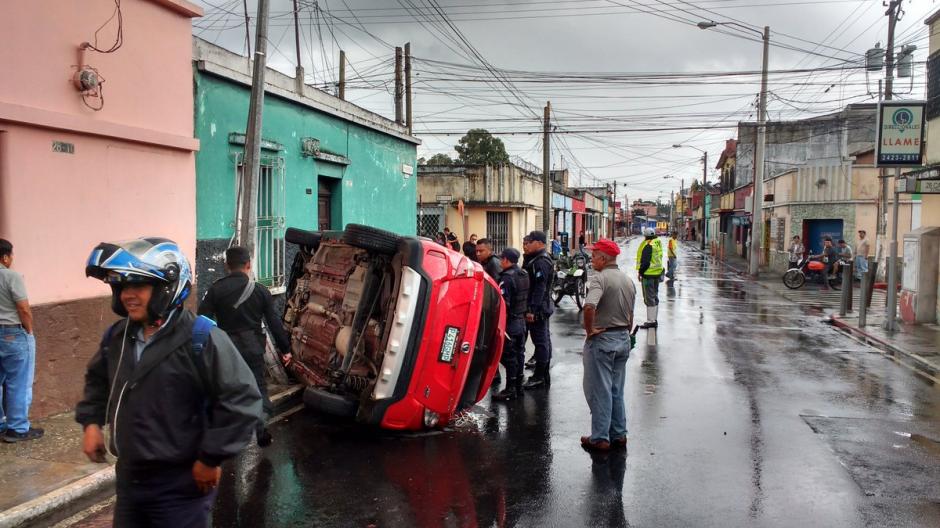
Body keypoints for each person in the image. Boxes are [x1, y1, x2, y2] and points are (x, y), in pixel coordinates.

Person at [77, 238, 261, 527]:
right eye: (122, 287)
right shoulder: (118, 337)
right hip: (129, 480)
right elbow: (98, 381)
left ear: (167, 288)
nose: (128, 295)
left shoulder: (202, 338)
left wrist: (210, 458)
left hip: (182, 485)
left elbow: (243, 399)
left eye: (138, 285)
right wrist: (91, 424)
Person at [198, 246, 292, 447]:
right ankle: (261, 427)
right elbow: (275, 323)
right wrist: (285, 349)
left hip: (226, 349)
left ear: (227, 266)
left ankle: (225, 436)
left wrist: (203, 348)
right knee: (257, 387)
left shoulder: (216, 289)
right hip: (252, 347)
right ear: (248, 265)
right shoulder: (260, 291)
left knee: (225, 389)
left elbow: (202, 320)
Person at [580, 239, 635, 451]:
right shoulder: (627, 280)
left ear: (603, 258)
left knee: (599, 389)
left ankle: (600, 438)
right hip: (622, 338)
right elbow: (630, 314)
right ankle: (619, 433)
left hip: (603, 340)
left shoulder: (599, 279)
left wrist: (590, 330)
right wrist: (626, 333)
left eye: (594, 255)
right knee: (616, 389)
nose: (591, 259)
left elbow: (589, 306)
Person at [0, 239, 42, 443]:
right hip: (11, 333)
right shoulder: (11, 276)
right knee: (18, 382)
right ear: (5, 257)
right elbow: (23, 308)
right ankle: (17, 428)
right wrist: (29, 331)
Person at [492, 248, 529, 402]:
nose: (500, 262)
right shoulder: (524, 274)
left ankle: (510, 388)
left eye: (502, 259)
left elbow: (503, 303)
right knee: (520, 353)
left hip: (511, 322)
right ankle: (518, 385)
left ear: (506, 260)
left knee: (508, 355)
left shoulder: (506, 278)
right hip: (521, 321)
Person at [523, 231, 554, 389]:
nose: (528, 244)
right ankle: (543, 373)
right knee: (543, 341)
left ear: (539, 243)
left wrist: (532, 310)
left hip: (539, 308)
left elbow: (539, 288)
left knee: (541, 342)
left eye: (531, 242)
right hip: (540, 306)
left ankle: (540, 376)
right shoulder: (535, 258)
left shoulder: (541, 261)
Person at [636, 227, 664, 329]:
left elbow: (646, 262)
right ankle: (654, 319)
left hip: (648, 275)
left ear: (645, 236)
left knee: (649, 297)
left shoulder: (648, 245)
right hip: (657, 273)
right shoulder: (657, 242)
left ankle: (650, 320)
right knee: (655, 295)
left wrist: (640, 272)